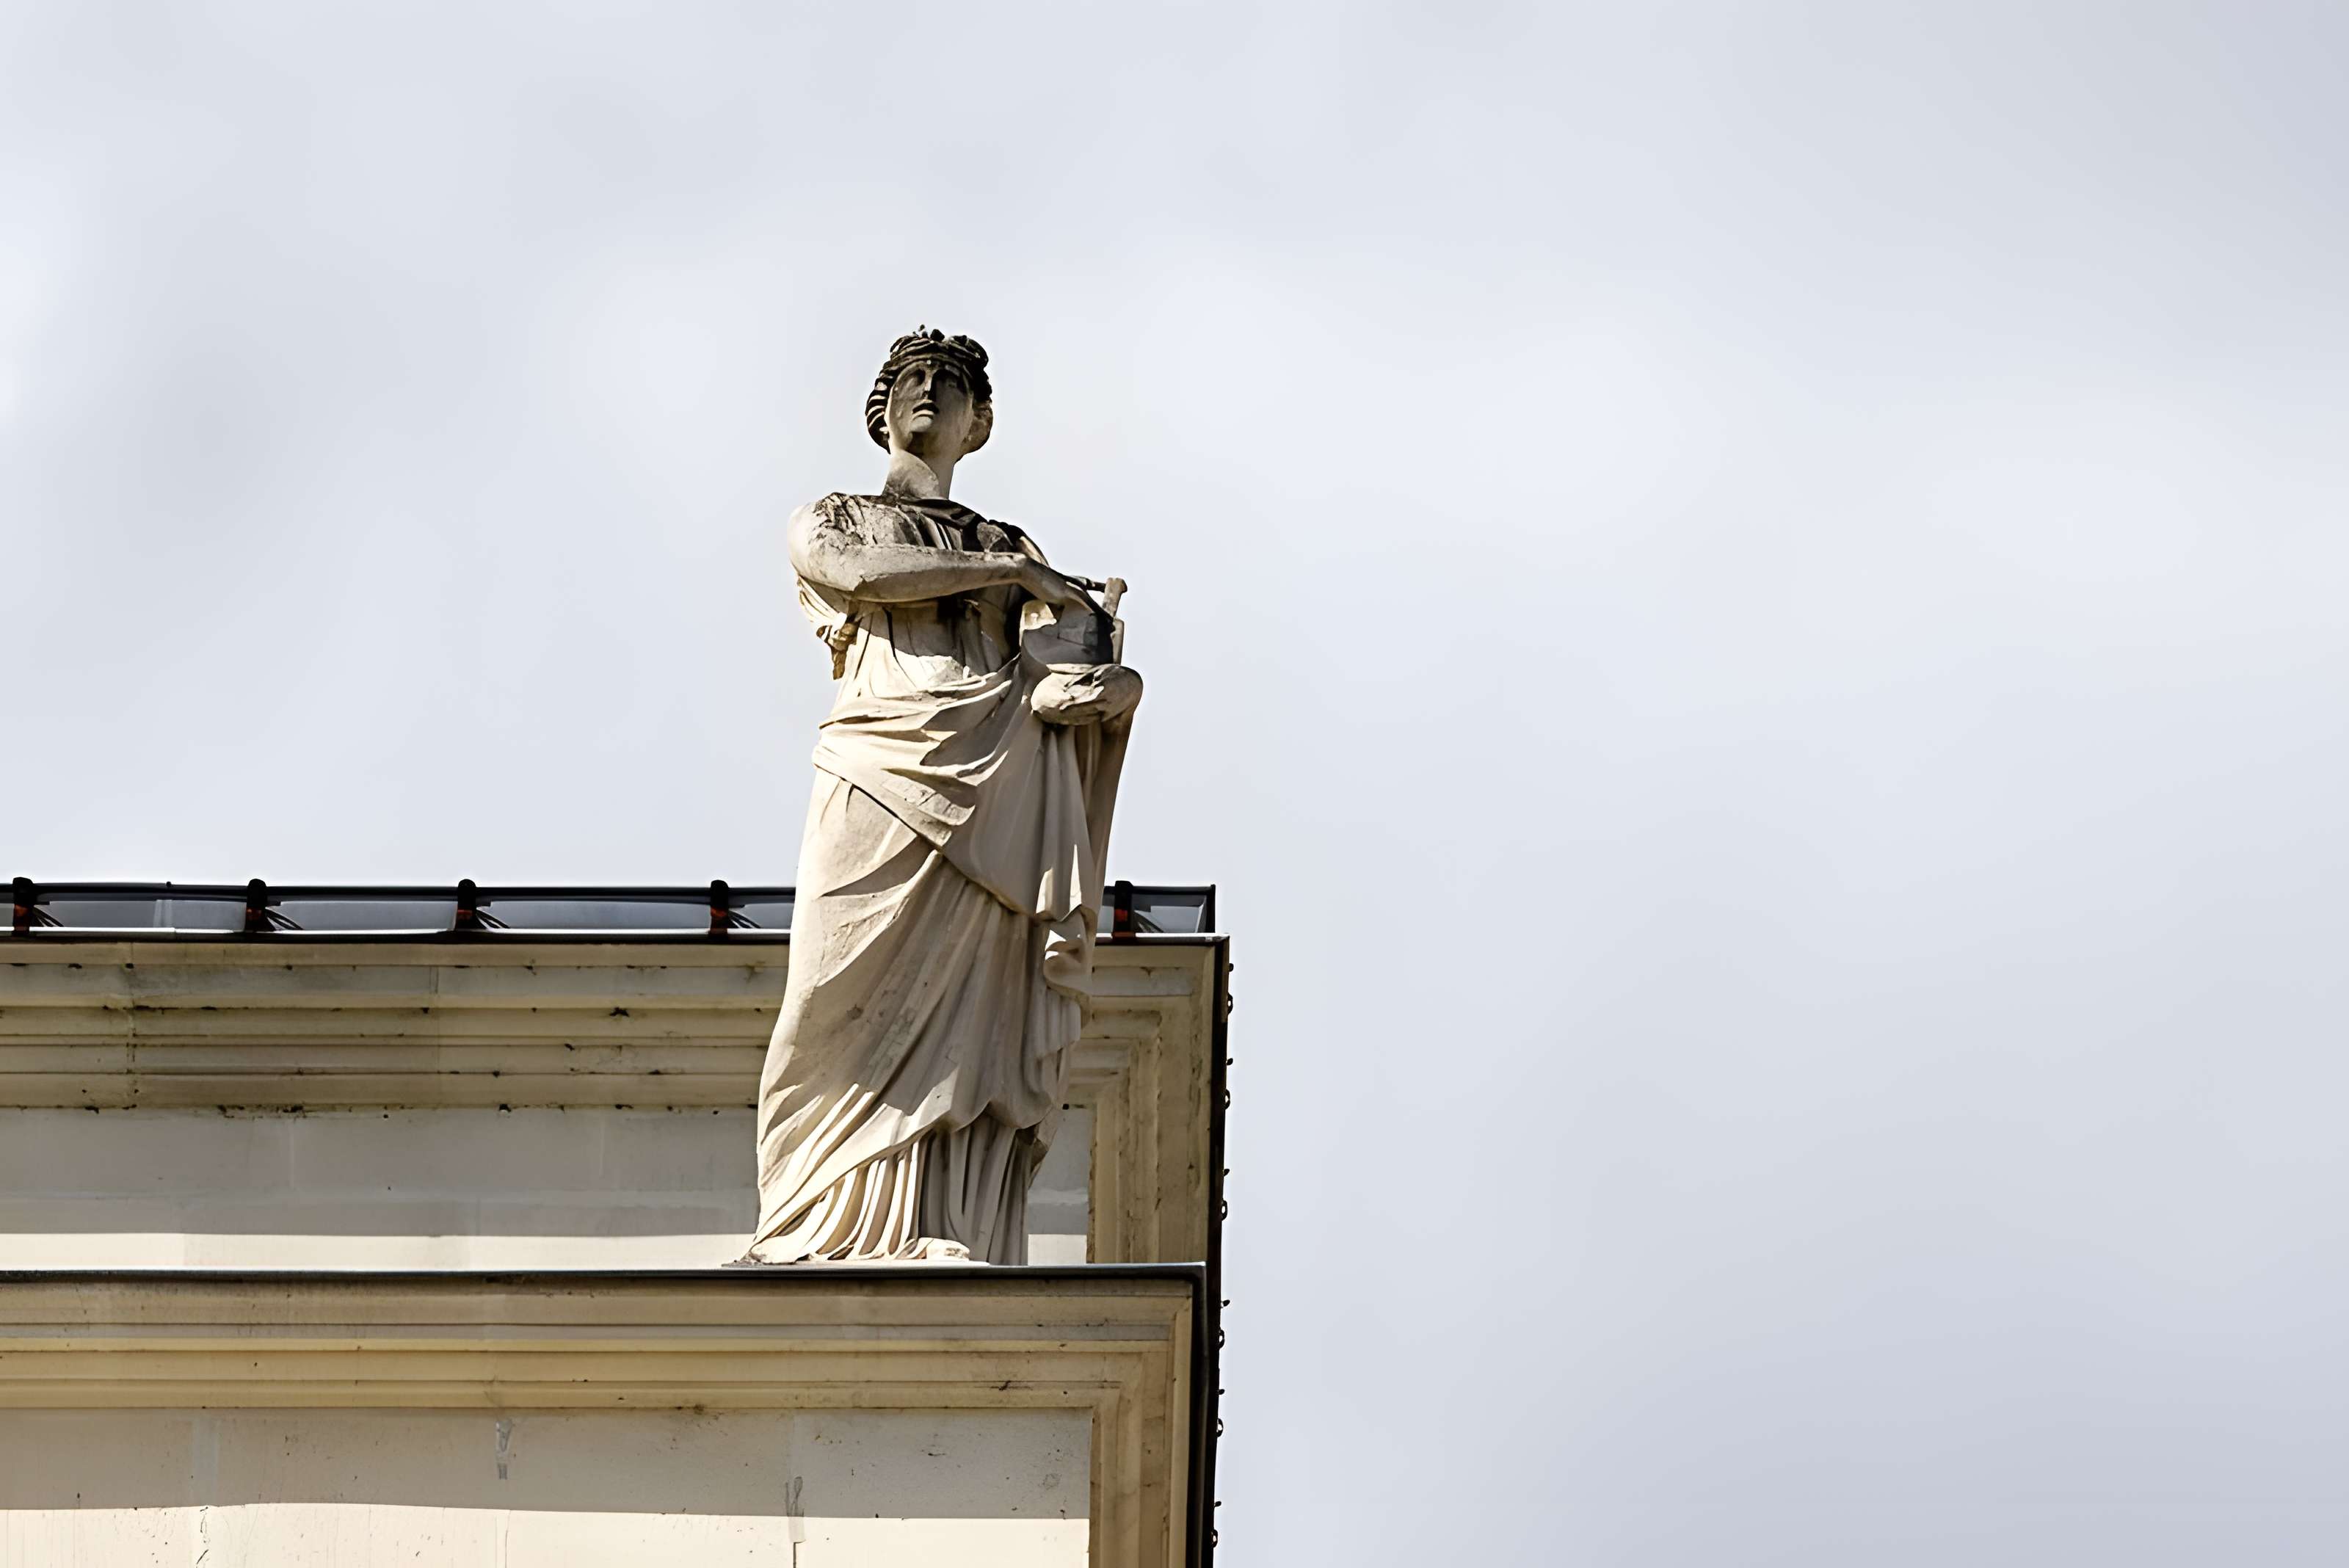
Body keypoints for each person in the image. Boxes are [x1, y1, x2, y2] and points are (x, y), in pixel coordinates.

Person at [738, 328, 1141, 1264]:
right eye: (910, 380)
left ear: (979, 422)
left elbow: (1048, 675)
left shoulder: (1011, 545)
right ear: (880, 412)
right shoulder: (834, 514)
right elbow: (859, 575)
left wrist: (1096, 659)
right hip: (879, 761)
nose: (927, 391)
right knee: (834, 993)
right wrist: (1013, 578)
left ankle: (937, 1223)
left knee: (973, 1006)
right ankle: (809, 1217)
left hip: (996, 772)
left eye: (949, 384)